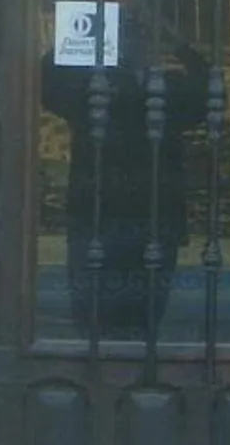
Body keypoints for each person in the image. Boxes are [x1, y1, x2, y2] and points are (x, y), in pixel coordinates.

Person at [41, 32, 212, 342]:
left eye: (140, 35)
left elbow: (212, 93)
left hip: (155, 214)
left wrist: (177, 43)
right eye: (125, 34)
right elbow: (44, 84)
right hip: (96, 214)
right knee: (90, 316)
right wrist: (81, 32)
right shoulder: (92, 87)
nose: (135, 43)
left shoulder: (170, 88)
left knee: (146, 317)